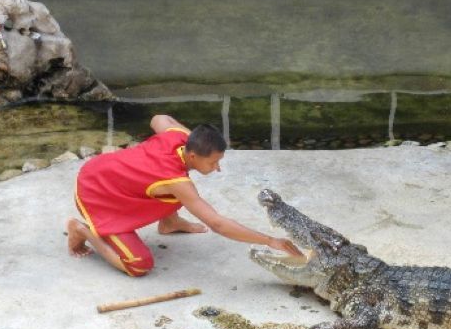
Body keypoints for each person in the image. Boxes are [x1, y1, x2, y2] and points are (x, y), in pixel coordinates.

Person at [66, 114, 303, 277]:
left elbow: (158, 118)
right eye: (213, 162)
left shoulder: (178, 137)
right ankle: (83, 230)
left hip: (107, 174)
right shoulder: (176, 180)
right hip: (96, 194)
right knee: (139, 266)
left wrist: (192, 138)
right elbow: (217, 223)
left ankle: (170, 223)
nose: (217, 167)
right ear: (192, 156)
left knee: (176, 188)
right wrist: (270, 241)